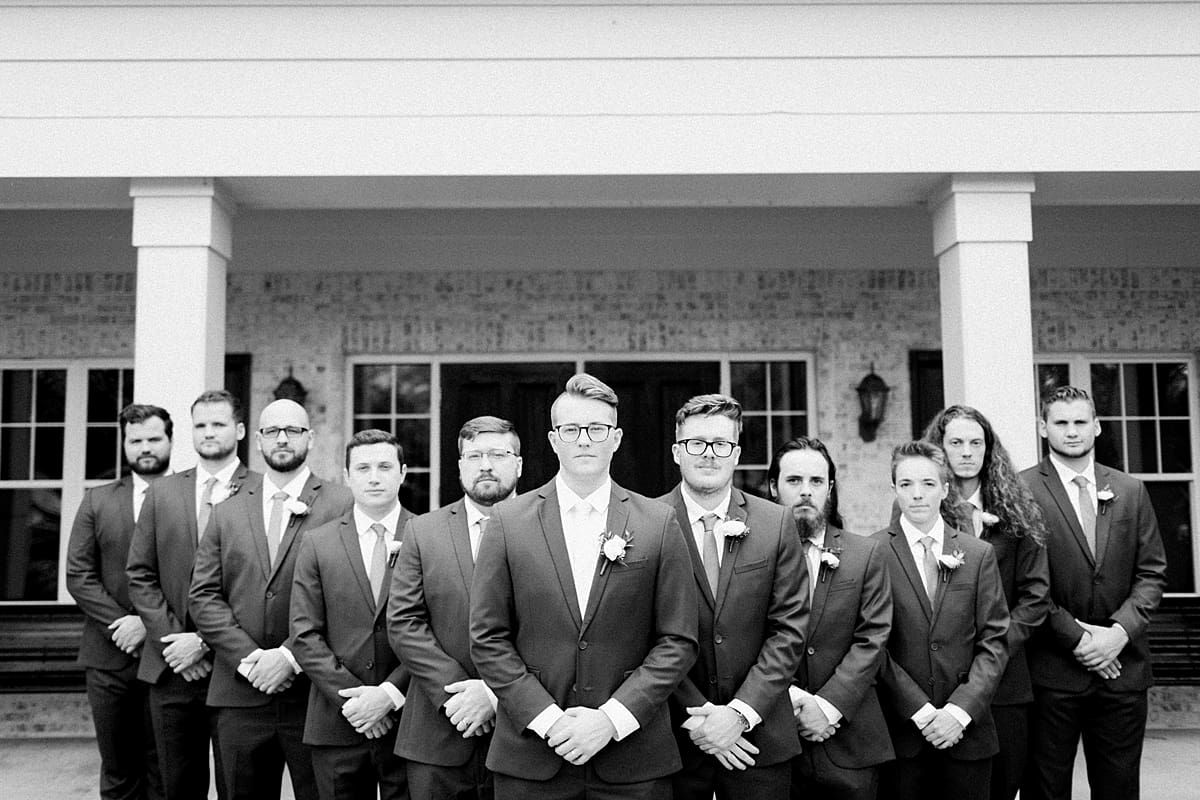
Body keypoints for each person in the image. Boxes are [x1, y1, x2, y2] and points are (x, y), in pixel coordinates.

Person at [469, 373, 699, 800]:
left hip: (634, 761)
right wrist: (547, 720)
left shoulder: (658, 523)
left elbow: (678, 640)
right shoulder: (507, 522)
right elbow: (487, 638)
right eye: (572, 430)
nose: (585, 440)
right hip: (532, 758)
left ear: (616, 438)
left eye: (597, 429)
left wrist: (611, 719)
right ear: (554, 440)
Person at [189, 398, 353, 800]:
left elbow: (349, 597)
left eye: (293, 430)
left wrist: (290, 656)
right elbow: (204, 596)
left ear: (310, 439)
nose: (282, 439)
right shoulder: (227, 511)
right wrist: (249, 660)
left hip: (313, 694)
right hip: (239, 692)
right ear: (257, 439)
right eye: (272, 431)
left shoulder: (341, 504)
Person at [1021, 386, 1168, 800]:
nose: (1072, 432)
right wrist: (1082, 640)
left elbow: (1153, 574)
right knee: (1045, 791)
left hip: (1123, 671)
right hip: (1052, 672)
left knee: (1119, 790)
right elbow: (1023, 585)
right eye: (1061, 423)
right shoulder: (1022, 490)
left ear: (1097, 426)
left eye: (1080, 422)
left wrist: (1117, 635)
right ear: (1043, 428)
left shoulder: (1130, 490)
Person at [659, 394, 807, 800]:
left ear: (737, 453)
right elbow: (640, 633)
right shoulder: (647, 522)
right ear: (677, 451)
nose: (709, 455)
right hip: (675, 739)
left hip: (759, 743)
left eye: (721, 444)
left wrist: (739, 715)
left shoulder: (775, 523)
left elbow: (789, 630)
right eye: (696, 443)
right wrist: (701, 721)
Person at [390, 415, 524, 800]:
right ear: (460, 465)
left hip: (522, 736)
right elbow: (404, 623)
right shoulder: (423, 531)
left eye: (498, 454)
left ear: (519, 463)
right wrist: (459, 697)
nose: (485, 464)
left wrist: (496, 694)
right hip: (437, 733)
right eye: (474, 455)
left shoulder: (548, 529)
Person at [920, 406, 1050, 800]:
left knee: (1004, 785)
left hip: (1006, 683)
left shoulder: (1017, 511)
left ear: (989, 449)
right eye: (955, 442)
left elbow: (1036, 596)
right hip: (940, 684)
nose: (966, 451)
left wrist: (992, 647)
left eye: (976, 443)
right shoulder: (921, 507)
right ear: (939, 449)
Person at [128, 389, 252, 800]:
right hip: (171, 669)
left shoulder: (263, 491)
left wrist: (205, 641)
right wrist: (173, 642)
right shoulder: (162, 493)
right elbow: (140, 574)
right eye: (200, 425)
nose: (209, 433)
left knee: (240, 787)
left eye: (218, 424)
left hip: (235, 669)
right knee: (177, 787)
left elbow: (268, 586)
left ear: (239, 429)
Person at [873, 441, 1009, 800]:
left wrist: (960, 712)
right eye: (906, 484)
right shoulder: (872, 554)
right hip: (901, 736)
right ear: (894, 489)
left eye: (928, 484)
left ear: (945, 489)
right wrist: (919, 711)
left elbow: (994, 642)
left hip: (968, 734)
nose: (917, 494)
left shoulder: (978, 555)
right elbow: (872, 644)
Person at [767, 436, 893, 800]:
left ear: (830, 489)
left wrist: (828, 706)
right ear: (774, 486)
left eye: (816, 482)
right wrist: (789, 700)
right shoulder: (752, 554)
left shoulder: (865, 554)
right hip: (774, 742)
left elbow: (874, 638)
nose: (805, 491)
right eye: (794, 481)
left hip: (850, 743)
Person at [291, 429, 413, 800]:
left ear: (403, 473)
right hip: (336, 721)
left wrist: (389, 695)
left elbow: (439, 630)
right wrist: (356, 701)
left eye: (384, 466)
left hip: (408, 722)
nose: (374, 476)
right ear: (347, 476)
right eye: (362, 468)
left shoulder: (429, 535)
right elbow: (303, 634)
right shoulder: (317, 542)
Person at [67, 403, 171, 800]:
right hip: (107, 658)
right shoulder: (97, 500)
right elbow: (78, 574)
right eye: (136, 440)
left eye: (153, 438)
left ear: (169, 441)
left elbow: (198, 576)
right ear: (125, 444)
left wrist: (148, 624)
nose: (145, 447)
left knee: (165, 771)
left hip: (167, 659)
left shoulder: (189, 499)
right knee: (117, 773)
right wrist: (123, 623)